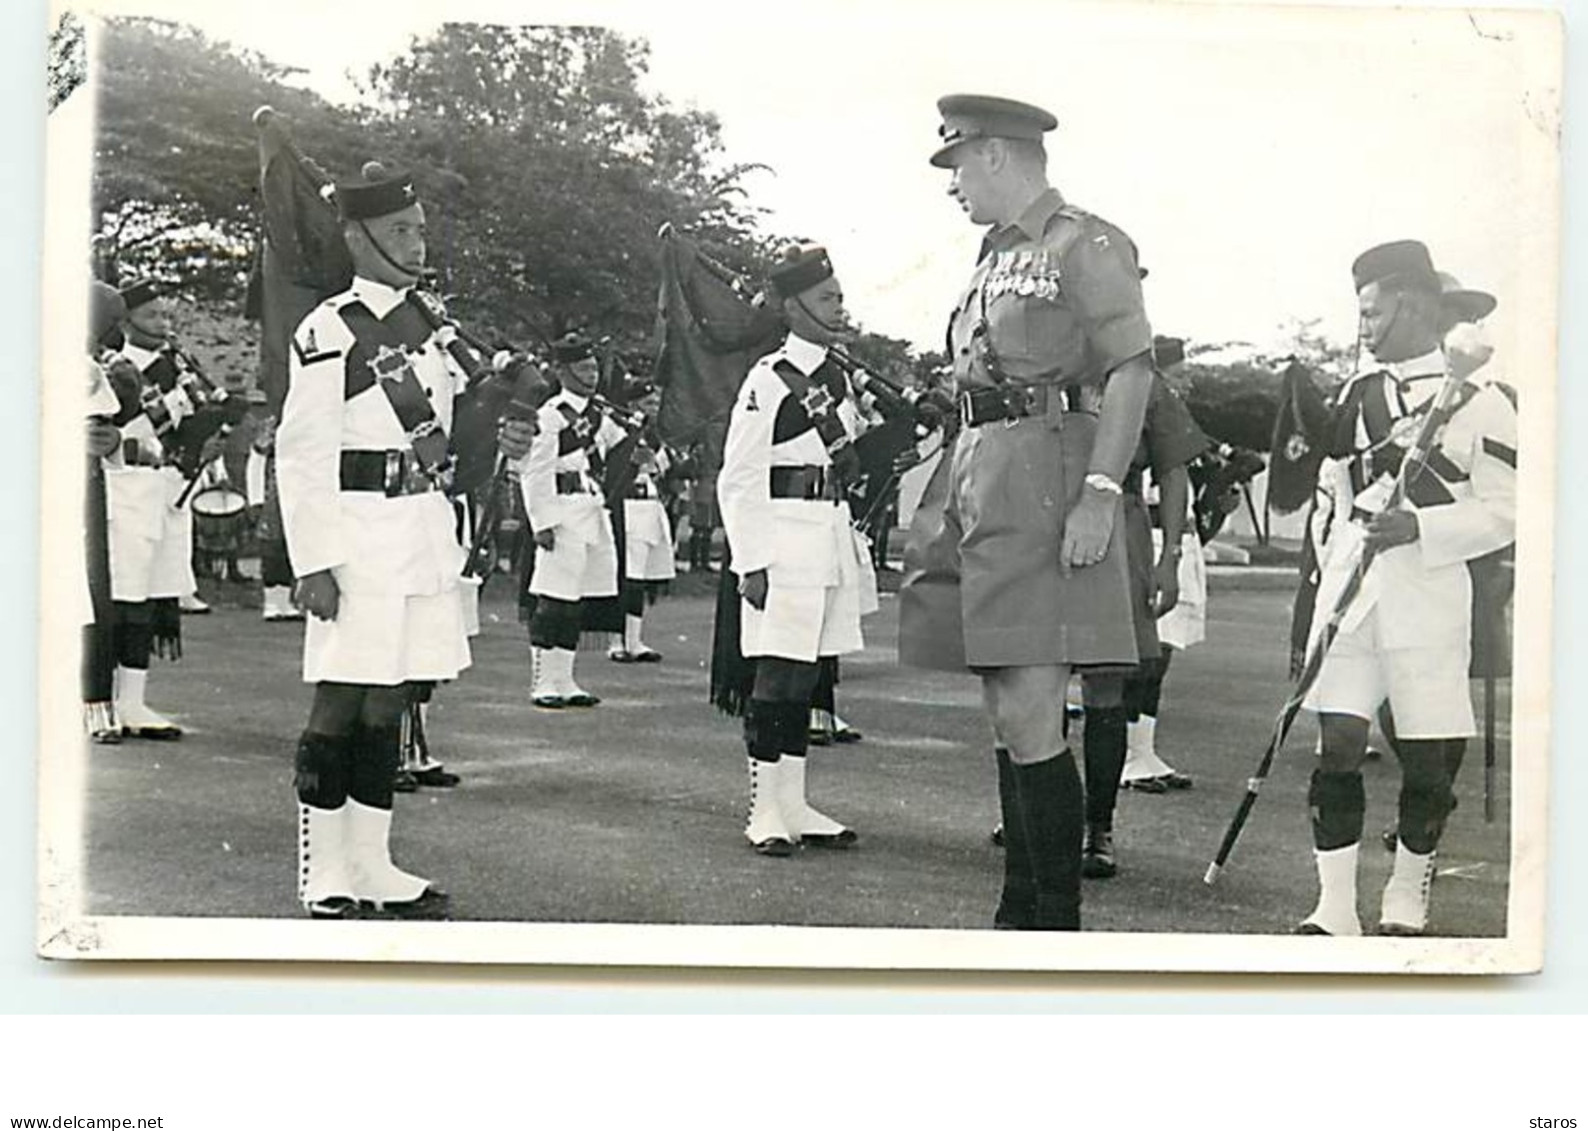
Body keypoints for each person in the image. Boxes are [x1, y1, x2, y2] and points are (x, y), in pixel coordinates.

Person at [899, 95, 1155, 930]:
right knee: (1007, 707)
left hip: (1049, 477)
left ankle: (1052, 923)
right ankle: (1019, 909)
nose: (953, 184)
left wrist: (1102, 492)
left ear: (999, 156)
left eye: (958, 164)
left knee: (1033, 710)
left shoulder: (1085, 241)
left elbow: (1131, 369)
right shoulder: (992, 254)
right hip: (983, 474)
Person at [276, 165, 534, 919]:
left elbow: (453, 439)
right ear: (356, 237)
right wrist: (313, 559)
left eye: (420, 231)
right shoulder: (329, 328)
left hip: (420, 533)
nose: (416, 245)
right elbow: (302, 451)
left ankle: (373, 860)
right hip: (355, 535)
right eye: (399, 233)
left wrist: (505, 424)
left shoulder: (437, 328)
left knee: (390, 702)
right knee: (341, 700)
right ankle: (323, 867)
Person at [1295, 240, 1516, 937]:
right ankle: (1335, 907)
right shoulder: (1355, 398)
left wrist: (1419, 525)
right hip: (1352, 599)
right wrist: (1319, 592)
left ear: (1414, 304)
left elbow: (1510, 510)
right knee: (1337, 745)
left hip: (1428, 600)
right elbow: (1331, 501)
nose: (1363, 326)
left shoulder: (1483, 404)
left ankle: (1405, 892)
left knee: (1425, 762)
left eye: (1373, 310)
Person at [717, 243, 871, 856]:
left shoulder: (837, 377)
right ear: (794, 307)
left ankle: (797, 803)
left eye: (839, 297)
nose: (839, 308)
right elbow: (739, 475)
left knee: (807, 678)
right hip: (782, 541)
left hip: (827, 534)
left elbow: (853, 453)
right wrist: (750, 561)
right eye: (828, 299)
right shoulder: (769, 380)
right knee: (775, 677)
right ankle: (764, 810)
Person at [1073, 336, 1208, 877]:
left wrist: (1169, 556)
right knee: (1032, 678)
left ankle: (1096, 829)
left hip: (1118, 526)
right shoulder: (1040, 361)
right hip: (1042, 516)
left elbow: (1174, 471)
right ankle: (1029, 814)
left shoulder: (1142, 379)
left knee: (1105, 682)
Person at [103, 278, 228, 739]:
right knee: (126, 596)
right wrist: (179, 407)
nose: (163, 324)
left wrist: (209, 434)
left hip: (167, 493)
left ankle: (133, 701)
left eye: (166, 315)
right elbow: (124, 430)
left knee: (154, 592)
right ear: (126, 321)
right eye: (153, 315)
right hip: (128, 492)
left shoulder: (173, 368)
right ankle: (106, 700)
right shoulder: (115, 367)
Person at [516, 331, 631, 708]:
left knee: (576, 601)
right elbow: (535, 470)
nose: (592, 373)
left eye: (594, 366)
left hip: (590, 510)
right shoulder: (550, 416)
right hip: (561, 510)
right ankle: (542, 682)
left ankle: (565, 679)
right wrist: (541, 522)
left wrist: (639, 436)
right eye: (583, 367)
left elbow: (620, 444)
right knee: (553, 600)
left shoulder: (599, 415)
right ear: (564, 373)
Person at [83, 281, 127, 744]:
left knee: (89, 591)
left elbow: (104, 427)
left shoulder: (91, 369)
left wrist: (110, 442)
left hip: (78, 489)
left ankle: (95, 702)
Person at [608, 373, 675, 663]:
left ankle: (634, 639)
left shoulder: (656, 433)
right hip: (629, 506)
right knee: (626, 576)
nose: (654, 406)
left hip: (649, 506)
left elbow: (662, 469)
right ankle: (615, 640)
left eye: (656, 401)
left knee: (642, 577)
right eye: (648, 402)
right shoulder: (622, 431)